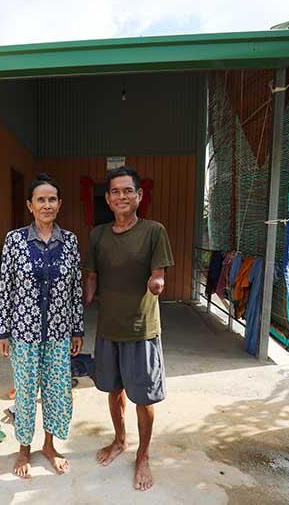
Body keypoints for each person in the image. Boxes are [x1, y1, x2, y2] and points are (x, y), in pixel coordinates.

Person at [84, 166, 174, 491]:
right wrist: (80, 300)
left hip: (141, 329)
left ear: (139, 196)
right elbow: (92, 278)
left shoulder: (153, 231)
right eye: (115, 192)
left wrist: (157, 282)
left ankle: (143, 455)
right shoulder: (97, 234)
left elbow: (159, 274)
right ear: (108, 200)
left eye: (128, 191)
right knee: (112, 391)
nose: (122, 196)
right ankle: (120, 440)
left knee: (144, 397)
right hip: (108, 329)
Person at [0, 173, 85, 479]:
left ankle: (48, 445)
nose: (47, 205)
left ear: (59, 205)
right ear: (30, 205)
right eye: (40, 200)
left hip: (59, 333)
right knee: (25, 390)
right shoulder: (14, 240)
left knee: (57, 390)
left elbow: (76, 290)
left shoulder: (70, 241)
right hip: (24, 333)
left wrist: (77, 329)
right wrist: (3, 331)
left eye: (52, 199)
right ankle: (23, 447)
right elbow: (5, 287)